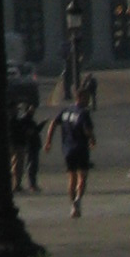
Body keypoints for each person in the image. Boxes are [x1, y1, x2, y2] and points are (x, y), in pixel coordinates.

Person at [46, 86, 95, 215]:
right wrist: (92, 139)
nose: (88, 100)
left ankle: (73, 205)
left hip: (67, 149)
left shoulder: (66, 111)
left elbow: (53, 123)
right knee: (82, 177)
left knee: (71, 177)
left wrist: (48, 141)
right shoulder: (83, 112)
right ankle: (78, 201)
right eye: (87, 98)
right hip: (81, 148)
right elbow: (87, 130)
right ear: (80, 97)